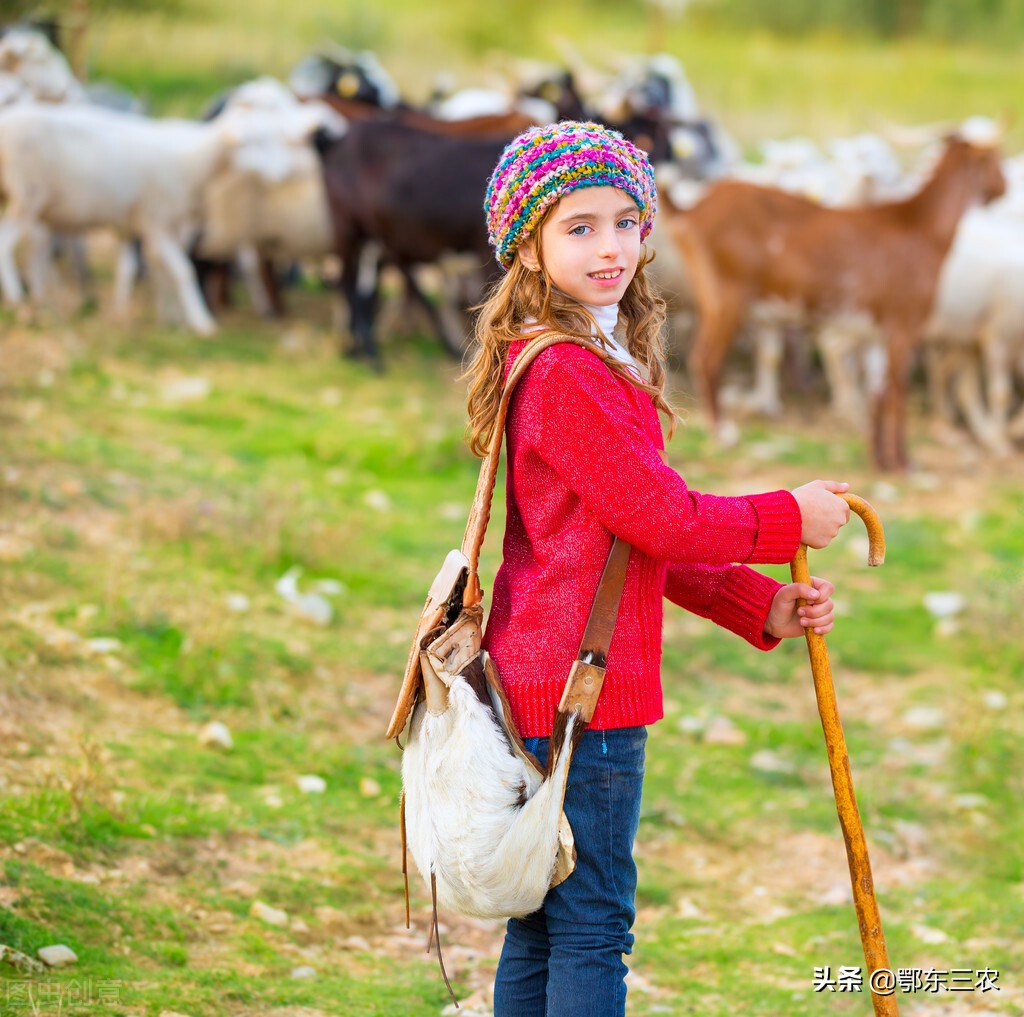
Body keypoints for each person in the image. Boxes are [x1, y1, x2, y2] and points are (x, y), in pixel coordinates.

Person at [464, 121, 851, 1017]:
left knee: (545, 916)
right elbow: (663, 519)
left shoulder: (589, 355)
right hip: (582, 691)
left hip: (542, 674)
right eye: (579, 226)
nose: (611, 246)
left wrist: (758, 605)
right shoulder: (568, 372)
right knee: (593, 921)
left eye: (626, 220)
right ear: (529, 244)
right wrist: (787, 516)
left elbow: (625, 540)